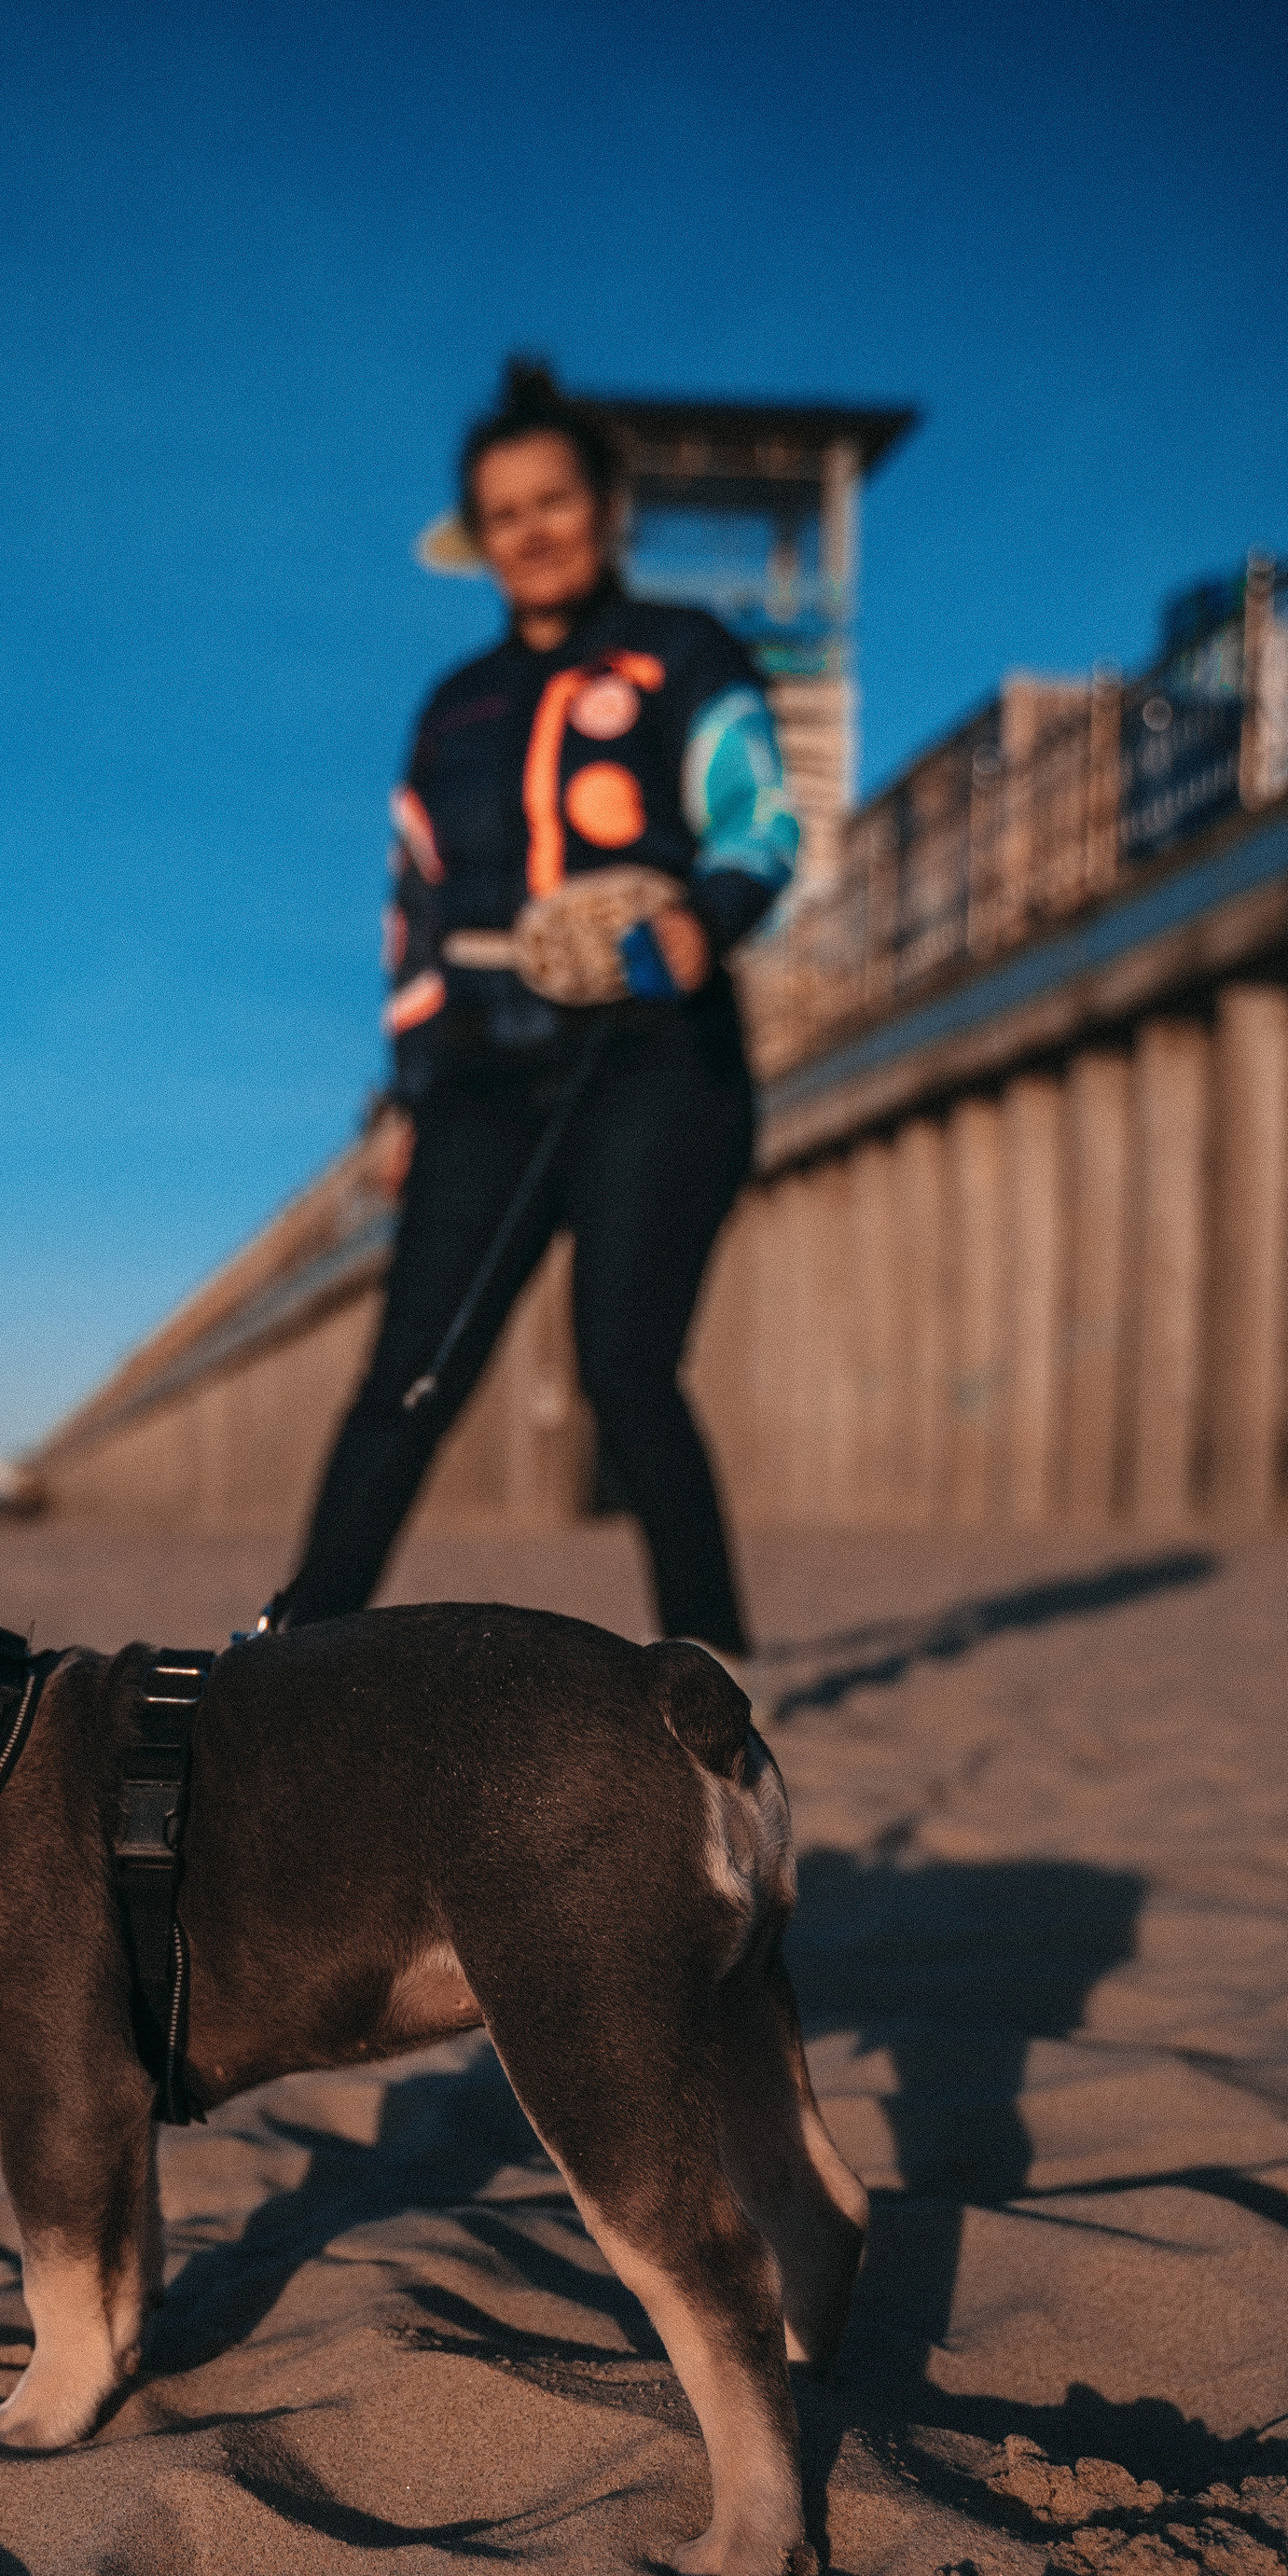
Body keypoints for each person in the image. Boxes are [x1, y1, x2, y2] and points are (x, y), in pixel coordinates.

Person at [262, 356, 797, 1655]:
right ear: (479, 541)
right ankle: (287, 1660)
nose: (532, 532)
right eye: (504, 515)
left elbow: (760, 820)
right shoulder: (452, 709)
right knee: (408, 1374)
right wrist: (402, 1100)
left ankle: (714, 1673)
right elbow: (414, 918)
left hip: (655, 1059)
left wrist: (698, 918)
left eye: (554, 501)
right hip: (481, 1081)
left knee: (625, 1371)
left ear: (607, 505)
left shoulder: (685, 652)